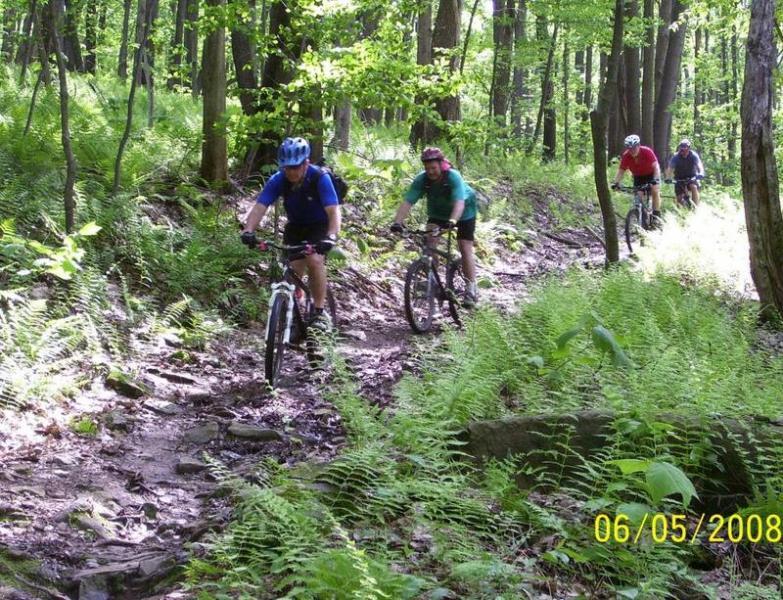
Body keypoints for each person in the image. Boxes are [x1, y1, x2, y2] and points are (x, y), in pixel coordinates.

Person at [240, 137, 341, 331]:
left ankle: (319, 313)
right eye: (287, 167)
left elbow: (333, 211)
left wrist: (331, 236)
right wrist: (248, 230)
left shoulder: (320, 178)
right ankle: (294, 317)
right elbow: (260, 206)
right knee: (293, 272)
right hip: (295, 227)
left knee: (315, 261)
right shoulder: (278, 179)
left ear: (306, 163)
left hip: (319, 226)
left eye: (295, 167)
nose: (291, 172)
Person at [390, 147, 479, 307]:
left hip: (464, 212)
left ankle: (471, 288)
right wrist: (397, 222)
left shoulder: (453, 177)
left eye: (434, 168)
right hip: (438, 213)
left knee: (465, 248)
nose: (430, 171)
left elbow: (459, 202)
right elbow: (408, 202)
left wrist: (452, 221)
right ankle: (433, 282)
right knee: (430, 243)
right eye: (427, 168)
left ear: (441, 165)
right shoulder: (421, 180)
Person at [611, 134, 663, 222]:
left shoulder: (647, 151)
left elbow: (656, 167)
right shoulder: (626, 156)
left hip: (651, 174)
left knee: (655, 190)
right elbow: (621, 171)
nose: (632, 151)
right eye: (629, 148)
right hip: (638, 177)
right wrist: (615, 183)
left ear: (638, 145)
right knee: (639, 195)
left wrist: (656, 179)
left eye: (634, 148)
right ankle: (642, 218)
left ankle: (656, 215)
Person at [664, 139, 705, 206]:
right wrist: (668, 178)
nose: (683, 151)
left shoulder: (693, 155)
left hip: (692, 177)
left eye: (685, 149)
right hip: (679, 178)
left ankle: (696, 207)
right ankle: (683, 209)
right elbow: (670, 168)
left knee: (693, 187)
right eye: (681, 149)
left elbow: (699, 165)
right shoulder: (676, 157)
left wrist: (701, 173)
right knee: (679, 199)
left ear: (689, 148)